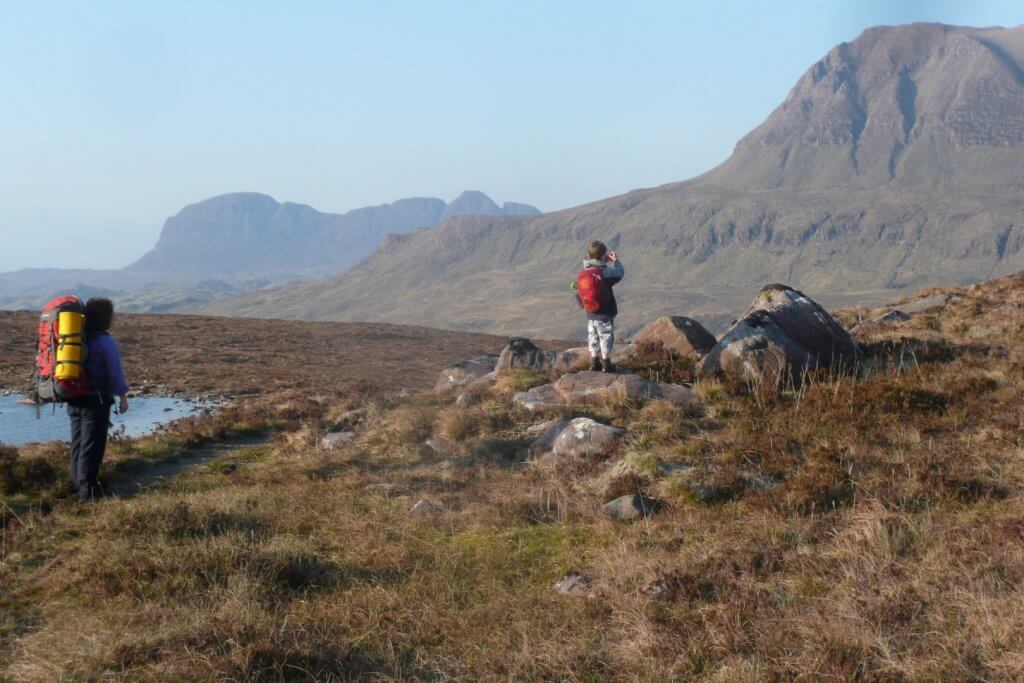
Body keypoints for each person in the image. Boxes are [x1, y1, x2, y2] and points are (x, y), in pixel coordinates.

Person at [68, 297, 129, 501]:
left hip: (74, 398)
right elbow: (115, 372)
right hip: (97, 402)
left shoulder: (77, 338)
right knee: (92, 447)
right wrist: (123, 397)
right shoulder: (105, 341)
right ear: (106, 317)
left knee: (77, 444)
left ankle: (78, 488)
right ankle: (88, 495)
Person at [574, 240, 624, 372]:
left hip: (591, 313)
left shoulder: (583, 273)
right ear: (603, 256)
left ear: (588, 255)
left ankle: (594, 362)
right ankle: (606, 363)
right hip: (605, 313)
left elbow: (578, 291)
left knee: (593, 336)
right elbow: (620, 273)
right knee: (606, 336)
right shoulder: (605, 273)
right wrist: (615, 261)